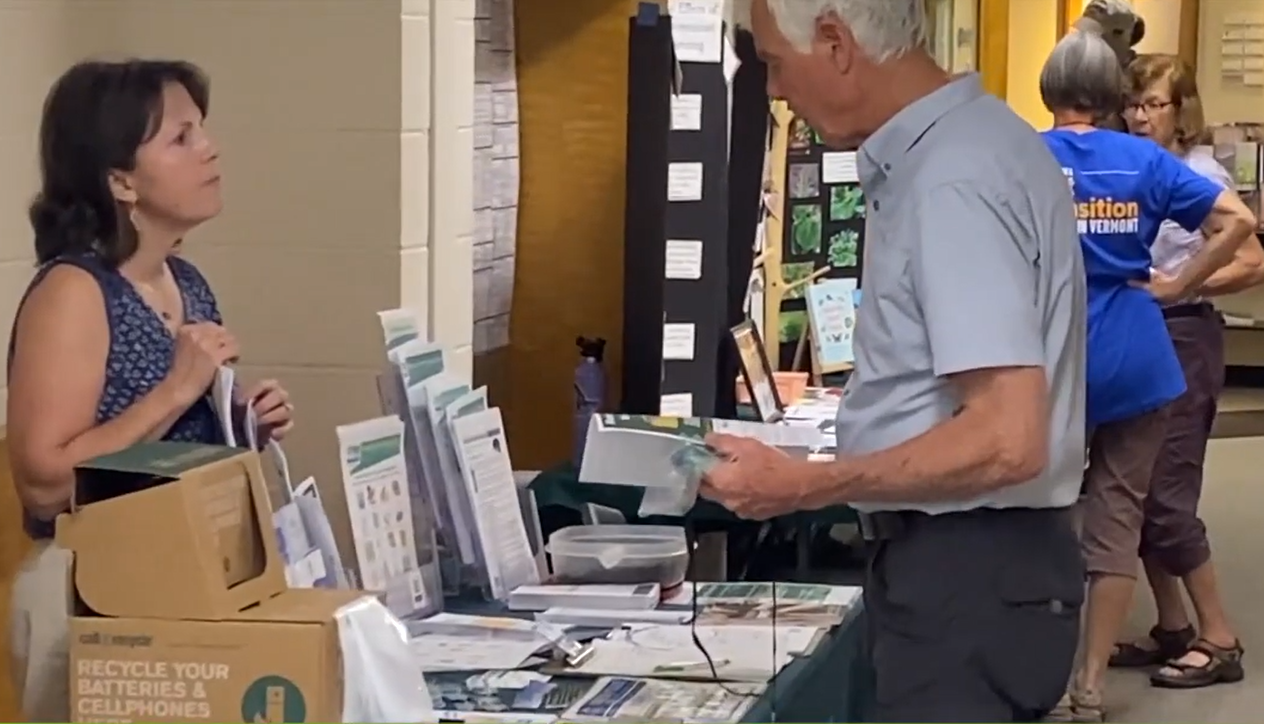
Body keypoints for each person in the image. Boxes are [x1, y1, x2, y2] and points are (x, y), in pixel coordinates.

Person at [706, 0, 1088, 720]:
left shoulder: (953, 180)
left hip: (967, 568)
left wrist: (809, 486)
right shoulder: (970, 147)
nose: (776, 92)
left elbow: (1008, 438)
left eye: (773, 64)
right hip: (972, 566)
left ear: (835, 41)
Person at [5, 59, 296, 722]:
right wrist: (176, 388)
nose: (210, 149)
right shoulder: (73, 292)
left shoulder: (185, 281)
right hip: (89, 595)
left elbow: (163, 452)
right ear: (120, 181)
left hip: (183, 582)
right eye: (181, 137)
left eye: (203, 131)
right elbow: (45, 484)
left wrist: (241, 424)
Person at [1036, 33, 1257, 722]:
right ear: (1112, 98)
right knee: (1119, 516)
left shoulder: (1023, 157)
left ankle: (1029, 661)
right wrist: (1177, 284)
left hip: (1054, 357)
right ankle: (1090, 685)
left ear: (1048, 91)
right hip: (1136, 351)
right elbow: (1238, 221)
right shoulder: (1142, 160)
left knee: (1042, 512)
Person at [1109, 53, 1263, 689]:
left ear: (1181, 111)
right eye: (1135, 104)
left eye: (1156, 105)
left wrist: (1180, 286)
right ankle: (1172, 626)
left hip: (1184, 336)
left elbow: (1251, 260)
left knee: (1169, 495)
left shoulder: (1196, 174)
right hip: (1142, 334)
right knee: (1136, 488)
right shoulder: (1135, 167)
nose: (1142, 116)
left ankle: (1219, 636)